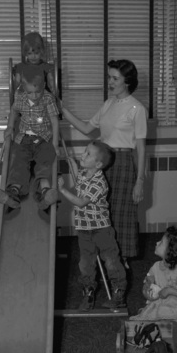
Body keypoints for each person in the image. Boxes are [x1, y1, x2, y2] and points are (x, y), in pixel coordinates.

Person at [61, 59, 147, 271]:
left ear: (127, 81)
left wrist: (140, 180)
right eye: (109, 77)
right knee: (99, 212)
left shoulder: (137, 108)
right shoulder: (108, 104)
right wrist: (62, 110)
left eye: (115, 78)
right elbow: (86, 128)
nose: (110, 81)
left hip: (125, 164)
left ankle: (121, 263)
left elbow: (141, 147)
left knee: (121, 213)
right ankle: (104, 258)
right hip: (103, 163)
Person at [57, 141, 127, 311]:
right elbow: (77, 176)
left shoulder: (99, 183)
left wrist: (62, 190)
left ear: (98, 164)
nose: (83, 154)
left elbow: (81, 202)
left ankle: (118, 292)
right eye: (85, 151)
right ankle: (88, 291)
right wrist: (70, 161)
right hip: (84, 229)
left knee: (110, 260)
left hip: (101, 229)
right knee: (85, 263)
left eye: (88, 154)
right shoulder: (84, 173)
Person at [0, 64, 60, 211]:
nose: (34, 96)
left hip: (43, 138)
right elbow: (14, 111)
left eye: (38, 91)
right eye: (30, 92)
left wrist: (55, 143)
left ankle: (45, 192)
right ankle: (13, 192)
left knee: (45, 162)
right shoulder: (20, 96)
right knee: (18, 160)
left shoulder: (48, 98)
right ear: (24, 88)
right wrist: (10, 127)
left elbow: (55, 120)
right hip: (23, 138)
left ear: (43, 85)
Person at [130, 226, 177, 345]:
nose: (157, 242)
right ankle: (153, 334)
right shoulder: (156, 266)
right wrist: (147, 288)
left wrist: (170, 290)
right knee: (146, 322)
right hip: (160, 304)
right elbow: (149, 280)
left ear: (171, 252)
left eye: (162, 242)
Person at [13, 31, 57, 97]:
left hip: (41, 99)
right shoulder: (21, 67)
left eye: (36, 53)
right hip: (24, 99)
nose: (33, 56)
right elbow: (15, 84)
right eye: (29, 53)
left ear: (41, 51)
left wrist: (55, 96)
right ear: (25, 53)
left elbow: (52, 85)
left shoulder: (46, 67)